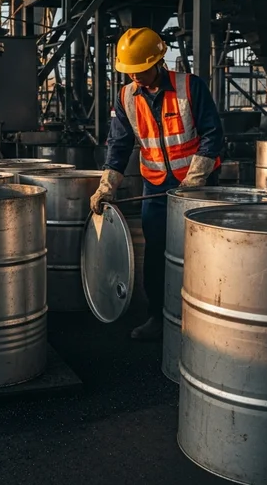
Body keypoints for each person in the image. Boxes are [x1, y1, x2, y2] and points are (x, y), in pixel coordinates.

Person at [89, 27, 224, 341]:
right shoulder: (126, 98)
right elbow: (119, 146)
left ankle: (206, 318)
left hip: (198, 186)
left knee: (202, 252)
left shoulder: (190, 87)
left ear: (158, 61)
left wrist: (194, 180)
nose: (135, 76)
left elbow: (213, 135)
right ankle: (158, 316)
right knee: (156, 251)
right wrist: (106, 185)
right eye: (130, 71)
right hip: (156, 187)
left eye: (140, 69)